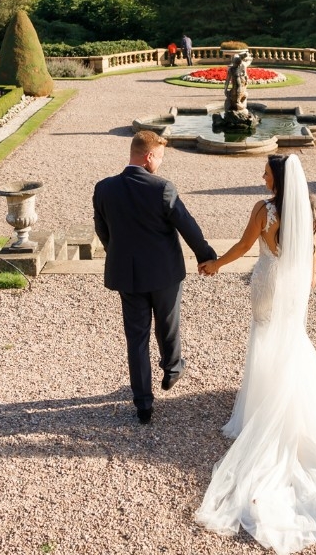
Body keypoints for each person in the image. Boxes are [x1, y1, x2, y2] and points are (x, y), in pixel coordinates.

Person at [195, 154, 316, 553]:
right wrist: (310, 280)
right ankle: (294, 402)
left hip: (269, 282)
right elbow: (312, 249)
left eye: (266, 172)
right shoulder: (306, 210)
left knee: (266, 337)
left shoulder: (264, 209)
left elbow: (244, 246)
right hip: (294, 285)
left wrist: (215, 264)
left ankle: (263, 407)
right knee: (292, 339)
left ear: (280, 179)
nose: (262, 176)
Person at [93, 130, 217, 424]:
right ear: (149, 157)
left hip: (128, 275)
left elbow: (102, 230)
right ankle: (172, 368)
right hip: (165, 273)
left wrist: (118, 253)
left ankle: (143, 405)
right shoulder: (162, 188)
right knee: (168, 322)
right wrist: (207, 257)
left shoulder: (104, 188)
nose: (160, 163)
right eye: (159, 157)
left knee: (136, 337)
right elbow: (188, 226)